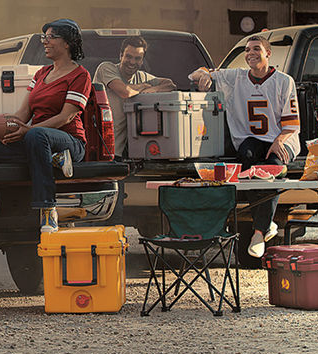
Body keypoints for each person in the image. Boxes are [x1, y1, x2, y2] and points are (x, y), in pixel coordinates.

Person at [189, 35, 300, 258]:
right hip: (251, 139)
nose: (250, 53)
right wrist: (202, 76)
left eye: (256, 49)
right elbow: (195, 72)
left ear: (268, 53)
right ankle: (266, 224)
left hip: (282, 137)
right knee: (247, 157)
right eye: (247, 49)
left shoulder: (284, 81)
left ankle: (259, 232)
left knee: (273, 167)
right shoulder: (235, 77)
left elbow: (291, 125)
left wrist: (278, 142)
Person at [0, 19, 90, 233]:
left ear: (67, 43)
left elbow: (66, 117)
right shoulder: (41, 74)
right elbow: (23, 114)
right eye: (43, 37)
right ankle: (53, 160)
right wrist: (8, 128)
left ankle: (47, 208)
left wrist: (29, 131)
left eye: (50, 37)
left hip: (69, 141)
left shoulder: (80, 75)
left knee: (37, 136)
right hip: (37, 139)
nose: (45, 42)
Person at [94, 36, 176, 158]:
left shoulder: (141, 76)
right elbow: (125, 92)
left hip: (128, 153)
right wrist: (143, 86)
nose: (132, 62)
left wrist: (152, 90)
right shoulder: (106, 68)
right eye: (128, 56)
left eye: (137, 58)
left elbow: (170, 84)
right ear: (121, 55)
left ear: (142, 61)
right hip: (99, 147)